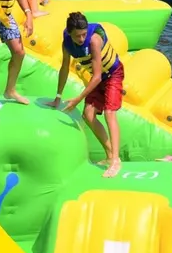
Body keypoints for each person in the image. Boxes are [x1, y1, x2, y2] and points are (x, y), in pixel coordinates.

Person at [49, 12, 125, 178]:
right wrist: (58, 97)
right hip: (98, 79)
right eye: (78, 36)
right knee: (88, 115)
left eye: (84, 34)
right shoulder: (67, 43)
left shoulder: (94, 40)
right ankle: (109, 154)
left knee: (110, 113)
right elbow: (64, 68)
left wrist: (77, 99)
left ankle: (116, 161)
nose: (82, 39)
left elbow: (97, 76)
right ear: (70, 33)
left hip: (112, 75)